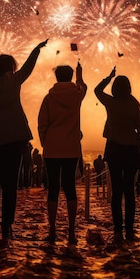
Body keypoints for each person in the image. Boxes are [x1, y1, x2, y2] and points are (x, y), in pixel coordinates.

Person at [0, 40, 48, 243]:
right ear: (10, 67)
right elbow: (28, 68)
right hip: (14, 137)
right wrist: (36, 49)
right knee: (10, 185)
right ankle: (6, 227)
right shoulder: (13, 79)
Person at [94, 67, 140, 243]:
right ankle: (130, 230)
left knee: (116, 192)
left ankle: (118, 230)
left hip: (114, 149)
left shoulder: (111, 102)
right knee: (129, 191)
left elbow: (96, 90)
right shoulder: (134, 105)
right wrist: (134, 142)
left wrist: (108, 77)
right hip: (131, 150)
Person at [38, 62, 87, 244]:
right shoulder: (77, 95)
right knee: (70, 188)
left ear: (56, 77)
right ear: (70, 76)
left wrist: (46, 143)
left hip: (52, 148)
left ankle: (52, 231)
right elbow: (84, 87)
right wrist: (80, 75)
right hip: (71, 148)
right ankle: (72, 232)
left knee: (53, 189)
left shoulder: (49, 98)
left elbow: (42, 124)